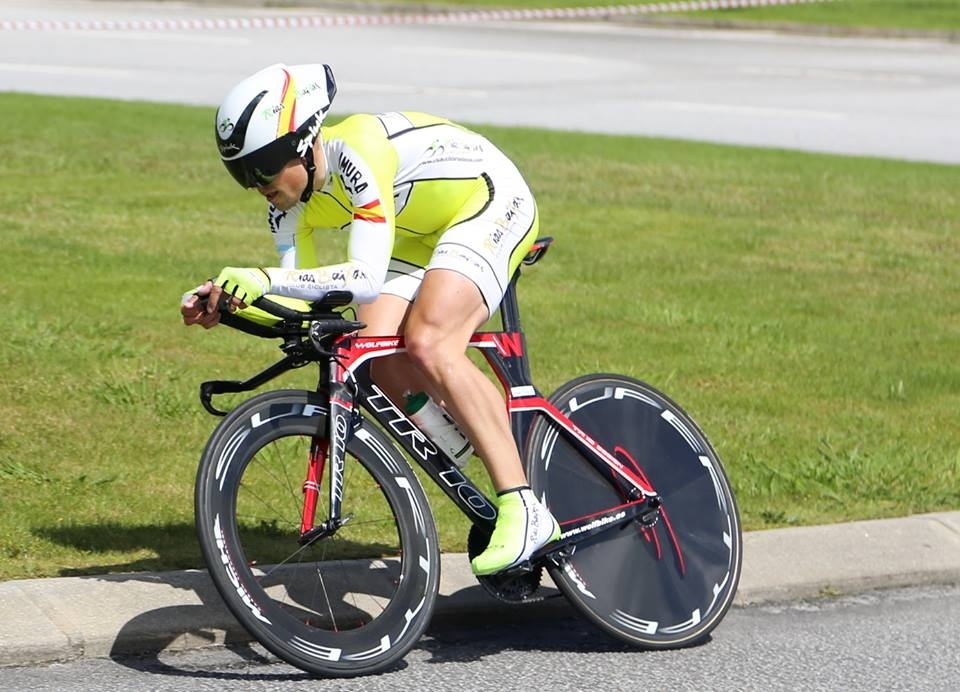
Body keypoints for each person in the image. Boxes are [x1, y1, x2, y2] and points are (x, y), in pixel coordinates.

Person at [180, 62, 560, 576]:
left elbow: (362, 278)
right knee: (369, 351)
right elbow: (307, 306)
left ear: (303, 143)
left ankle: (524, 507)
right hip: (419, 231)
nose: (256, 185)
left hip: (487, 200)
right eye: (242, 174)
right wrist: (228, 303)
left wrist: (264, 279)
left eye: (262, 169)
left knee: (430, 340)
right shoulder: (286, 208)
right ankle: (468, 437)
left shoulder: (356, 152)